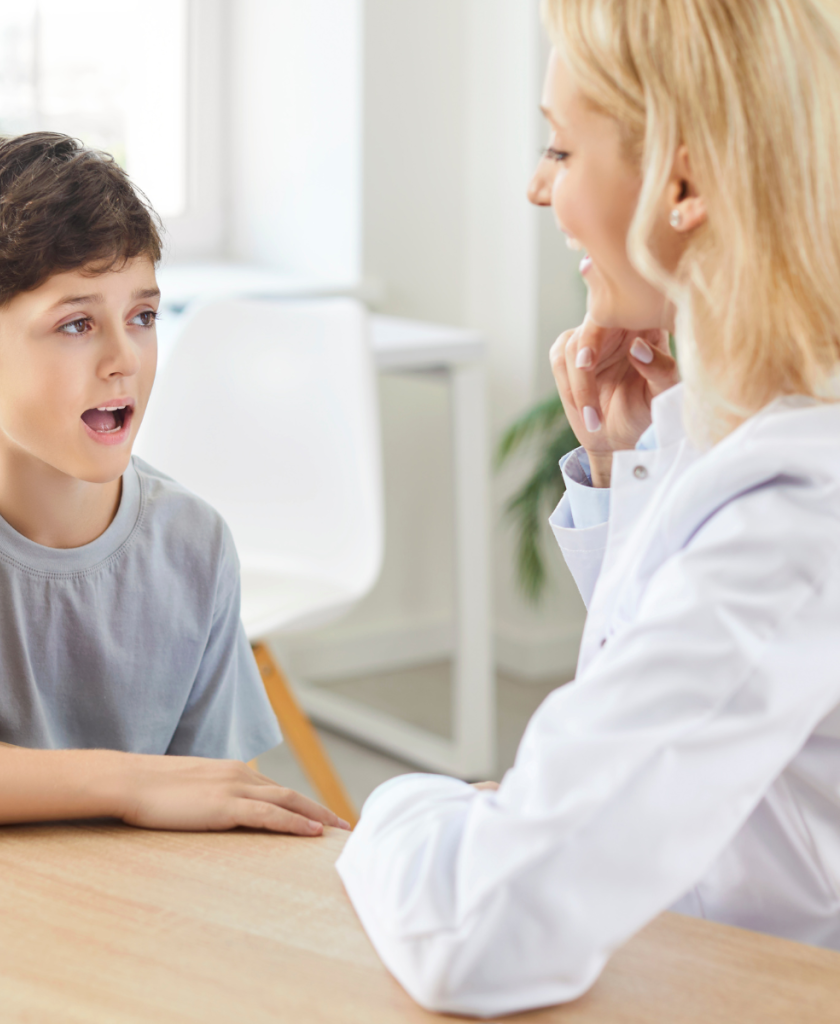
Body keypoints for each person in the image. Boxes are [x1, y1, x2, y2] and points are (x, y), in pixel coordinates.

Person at [336, 0, 840, 1015]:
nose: (535, 185)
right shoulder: (741, 429)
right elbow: (669, 698)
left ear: (683, 180)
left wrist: (410, 800)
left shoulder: (798, 506)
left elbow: (478, 930)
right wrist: (627, 463)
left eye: (559, 148)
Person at [0, 132, 347, 838]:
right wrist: (119, 780)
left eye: (143, 316)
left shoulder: (195, 543)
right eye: (75, 324)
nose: (124, 357)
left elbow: (210, 801)